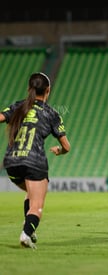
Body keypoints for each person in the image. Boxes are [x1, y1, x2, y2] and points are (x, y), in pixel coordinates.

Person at [0, 72, 70, 249]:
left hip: (12, 163)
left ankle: (28, 226)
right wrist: (59, 151)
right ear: (48, 90)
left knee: (31, 193)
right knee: (37, 206)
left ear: (29, 89)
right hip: (34, 162)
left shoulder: (19, 106)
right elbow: (66, 147)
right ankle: (26, 234)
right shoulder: (52, 114)